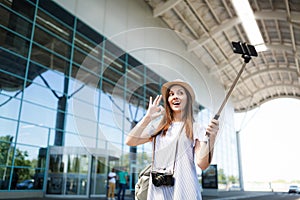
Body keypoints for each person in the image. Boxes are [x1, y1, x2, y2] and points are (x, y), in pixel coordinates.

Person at [126, 79, 219, 200]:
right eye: (171, 94)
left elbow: (202, 164)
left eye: (180, 93)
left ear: (188, 99)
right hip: (159, 192)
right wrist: (147, 117)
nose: (175, 96)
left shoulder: (196, 128)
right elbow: (130, 140)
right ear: (168, 101)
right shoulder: (158, 127)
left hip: (185, 191)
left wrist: (212, 137)